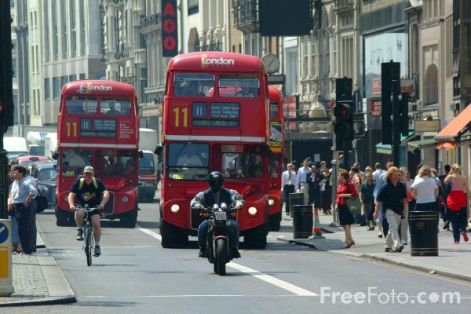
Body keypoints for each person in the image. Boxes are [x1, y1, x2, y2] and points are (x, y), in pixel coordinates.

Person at [191, 171, 244, 258]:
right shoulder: (203, 194)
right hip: (211, 218)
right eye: (213, 182)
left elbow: (238, 198)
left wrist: (239, 204)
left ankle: (234, 248)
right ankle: (203, 249)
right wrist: (198, 205)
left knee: (234, 226)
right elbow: (194, 201)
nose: (216, 184)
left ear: (222, 182)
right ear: (210, 182)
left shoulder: (230, 192)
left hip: (226, 218)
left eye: (218, 182)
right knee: (202, 227)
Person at [68, 166, 110, 257]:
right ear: (83, 174)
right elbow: (71, 195)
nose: (88, 176)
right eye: (86, 174)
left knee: (96, 223)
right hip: (81, 205)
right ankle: (80, 230)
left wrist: (102, 204)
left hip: (94, 206)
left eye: (90, 174)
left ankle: (97, 245)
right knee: (78, 213)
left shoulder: (97, 182)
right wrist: (71, 205)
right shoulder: (79, 182)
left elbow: (106, 193)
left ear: (93, 174)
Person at [374, 167, 408, 253]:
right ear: (390, 176)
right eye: (394, 175)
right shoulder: (385, 186)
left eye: (398, 175)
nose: (396, 177)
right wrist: (376, 212)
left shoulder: (401, 186)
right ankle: (398, 244)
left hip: (398, 209)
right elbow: (378, 200)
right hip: (388, 210)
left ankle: (387, 245)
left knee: (392, 228)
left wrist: (404, 210)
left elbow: (404, 199)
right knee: (394, 227)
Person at [7, 166, 39, 255]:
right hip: (15, 205)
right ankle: (19, 247)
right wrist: (10, 200)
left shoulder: (27, 181)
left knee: (24, 228)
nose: (13, 174)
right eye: (12, 172)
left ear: (21, 173)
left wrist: (27, 200)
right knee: (17, 227)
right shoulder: (16, 181)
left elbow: (33, 191)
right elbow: (12, 193)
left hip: (23, 206)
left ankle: (27, 249)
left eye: (15, 173)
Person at [443, 164, 469, 244]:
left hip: (453, 197)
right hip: (461, 196)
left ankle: (456, 239)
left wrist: (450, 173)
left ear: (452, 169)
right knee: (462, 217)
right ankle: (463, 230)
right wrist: (468, 198)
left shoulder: (451, 177)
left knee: (454, 220)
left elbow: (445, 181)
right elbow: (467, 188)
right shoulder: (463, 178)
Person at [335, 169, 357, 248]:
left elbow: (355, 194)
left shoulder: (349, 184)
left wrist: (344, 195)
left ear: (343, 176)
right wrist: (336, 204)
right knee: (344, 225)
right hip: (341, 205)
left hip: (347, 205)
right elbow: (338, 195)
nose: (338, 176)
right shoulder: (340, 185)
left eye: (340, 175)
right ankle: (350, 240)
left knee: (346, 223)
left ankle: (348, 241)